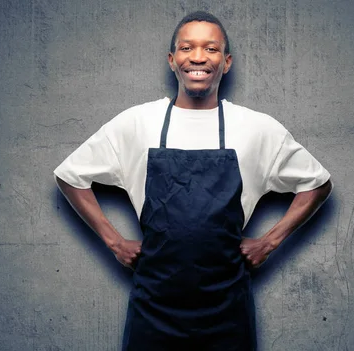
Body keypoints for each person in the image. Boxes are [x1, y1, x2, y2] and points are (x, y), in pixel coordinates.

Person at [54, 10, 332, 351]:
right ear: (172, 60)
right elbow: (70, 175)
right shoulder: (138, 122)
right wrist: (113, 241)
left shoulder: (257, 128)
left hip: (226, 306)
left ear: (226, 62)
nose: (198, 57)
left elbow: (318, 183)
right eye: (187, 48)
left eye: (211, 49)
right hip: (154, 304)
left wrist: (270, 241)